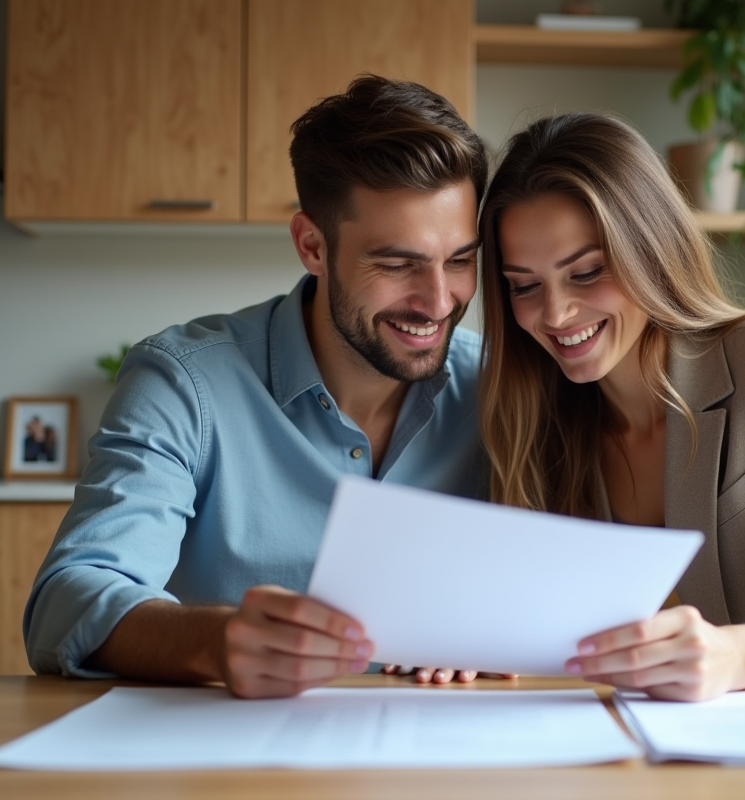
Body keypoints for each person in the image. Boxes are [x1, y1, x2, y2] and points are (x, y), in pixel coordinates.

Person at [25, 76, 495, 697]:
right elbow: (67, 599)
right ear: (311, 246)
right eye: (397, 264)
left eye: (460, 260)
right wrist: (214, 643)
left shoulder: (498, 387)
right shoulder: (183, 383)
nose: (439, 301)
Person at [478, 112, 745, 702]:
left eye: (588, 272)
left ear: (650, 247)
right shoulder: (528, 415)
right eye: (524, 285)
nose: (555, 314)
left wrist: (737, 653)